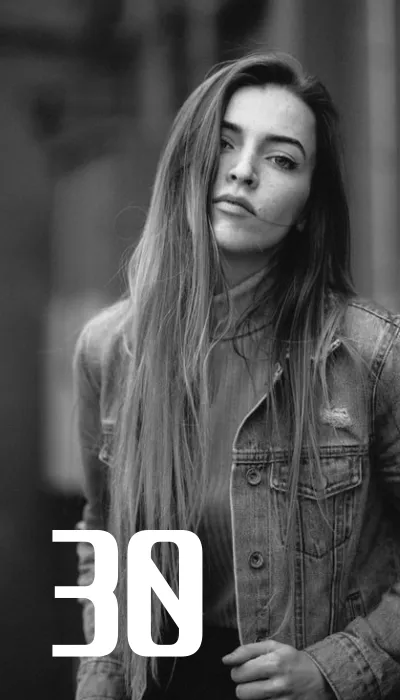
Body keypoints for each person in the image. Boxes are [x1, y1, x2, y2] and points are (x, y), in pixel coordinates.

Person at [73, 51, 400, 700]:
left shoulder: (371, 355)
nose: (243, 170)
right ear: (188, 163)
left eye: (282, 159)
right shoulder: (109, 350)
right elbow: (103, 534)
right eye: (224, 144)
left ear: (307, 207)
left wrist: (336, 669)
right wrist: (101, 678)